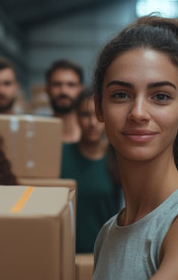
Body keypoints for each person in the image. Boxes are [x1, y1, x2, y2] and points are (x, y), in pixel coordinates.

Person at [91, 16, 178, 280]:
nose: (138, 113)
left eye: (161, 97)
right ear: (99, 108)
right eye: (121, 94)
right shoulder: (108, 233)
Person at [60, 88, 122, 253]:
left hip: (105, 252)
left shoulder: (118, 157)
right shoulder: (60, 154)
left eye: (97, 115)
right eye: (85, 115)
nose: (92, 123)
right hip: (64, 251)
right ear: (76, 117)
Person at [45, 59, 84, 142]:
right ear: (47, 89)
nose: (64, 91)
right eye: (57, 84)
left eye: (71, 85)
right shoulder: (38, 135)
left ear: (80, 89)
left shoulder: (92, 135)